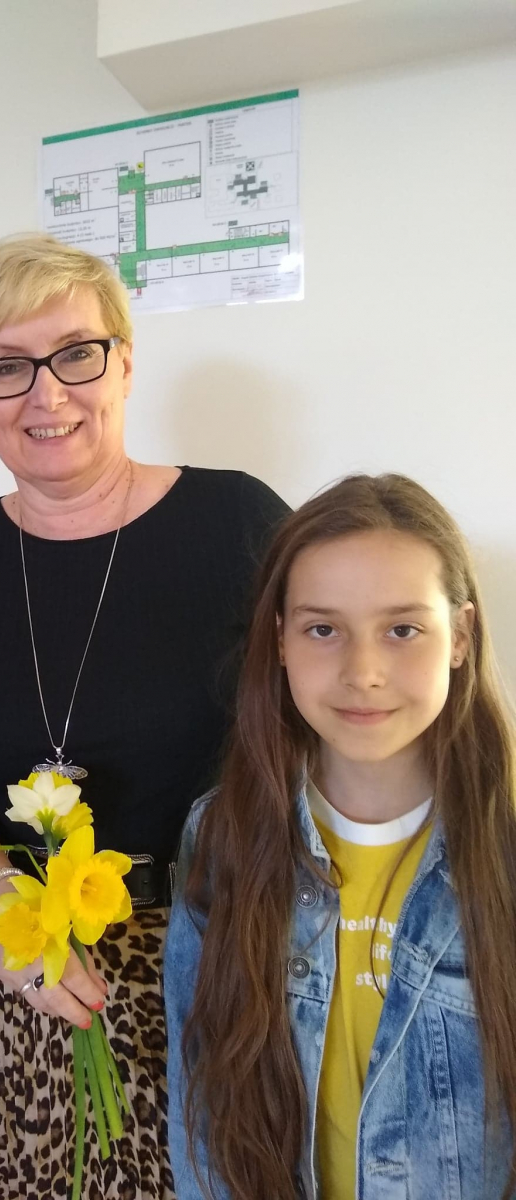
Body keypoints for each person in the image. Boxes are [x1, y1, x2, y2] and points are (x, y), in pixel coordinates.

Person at [0, 233, 288, 1199]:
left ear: (123, 361)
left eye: (75, 353)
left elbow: (315, 742)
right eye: (6, 367)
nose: (47, 393)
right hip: (29, 977)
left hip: (217, 968)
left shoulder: (238, 523)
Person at [165, 473, 516, 1200]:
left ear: (460, 636)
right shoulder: (223, 835)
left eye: (402, 630)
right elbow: (201, 1108)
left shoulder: (502, 845)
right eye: (323, 629)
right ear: (280, 641)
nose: (364, 672)